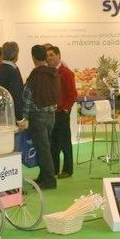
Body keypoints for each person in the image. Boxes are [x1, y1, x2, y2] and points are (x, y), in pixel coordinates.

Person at [23, 45, 60, 190]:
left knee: (42, 149)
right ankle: (44, 176)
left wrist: (24, 116)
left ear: (33, 58)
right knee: (46, 148)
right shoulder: (53, 72)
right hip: (51, 115)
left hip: (37, 115)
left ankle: (49, 180)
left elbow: (27, 96)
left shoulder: (36, 74)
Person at [46, 46, 77, 178]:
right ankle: (54, 170)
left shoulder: (66, 73)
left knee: (65, 143)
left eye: (51, 55)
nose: (49, 58)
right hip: (52, 113)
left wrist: (66, 109)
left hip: (61, 113)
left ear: (59, 56)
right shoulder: (49, 72)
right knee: (53, 143)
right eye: (47, 56)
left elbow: (72, 93)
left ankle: (68, 170)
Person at [0, 42, 26, 135]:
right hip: (11, 115)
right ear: (16, 55)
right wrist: (20, 119)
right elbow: (16, 96)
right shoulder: (13, 71)